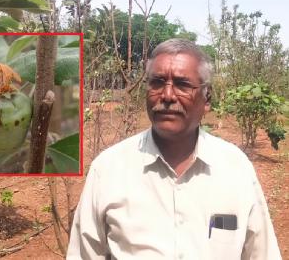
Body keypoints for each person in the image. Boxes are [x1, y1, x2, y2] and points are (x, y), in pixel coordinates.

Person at [67, 39, 282, 260]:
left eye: (182, 85)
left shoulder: (235, 169)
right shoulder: (109, 169)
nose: (167, 95)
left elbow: (262, 254)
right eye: (157, 82)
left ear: (207, 98)